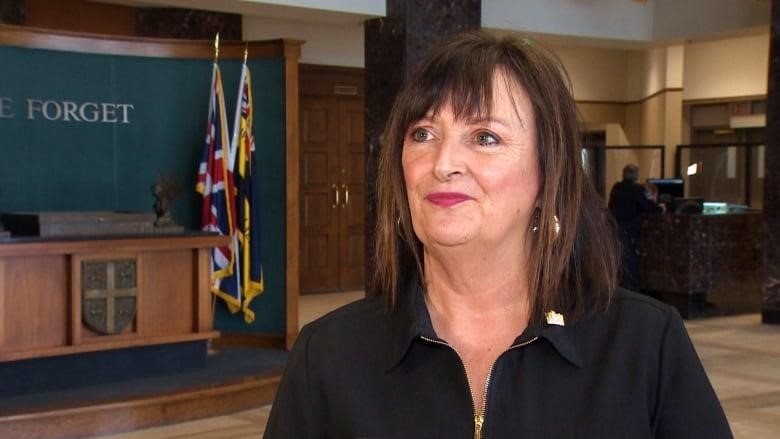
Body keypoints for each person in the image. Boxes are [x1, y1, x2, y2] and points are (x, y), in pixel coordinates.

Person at [264, 31, 731, 438]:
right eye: (423, 133)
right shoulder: (328, 357)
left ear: (548, 174)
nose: (442, 163)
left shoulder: (645, 346)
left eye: (485, 137)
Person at [608, 164, 663, 291]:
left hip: (616, 230)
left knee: (621, 264)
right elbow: (648, 206)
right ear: (636, 176)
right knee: (631, 265)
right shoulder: (637, 189)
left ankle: (621, 291)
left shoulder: (617, 188)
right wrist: (660, 208)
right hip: (631, 231)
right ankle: (633, 292)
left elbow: (611, 207)